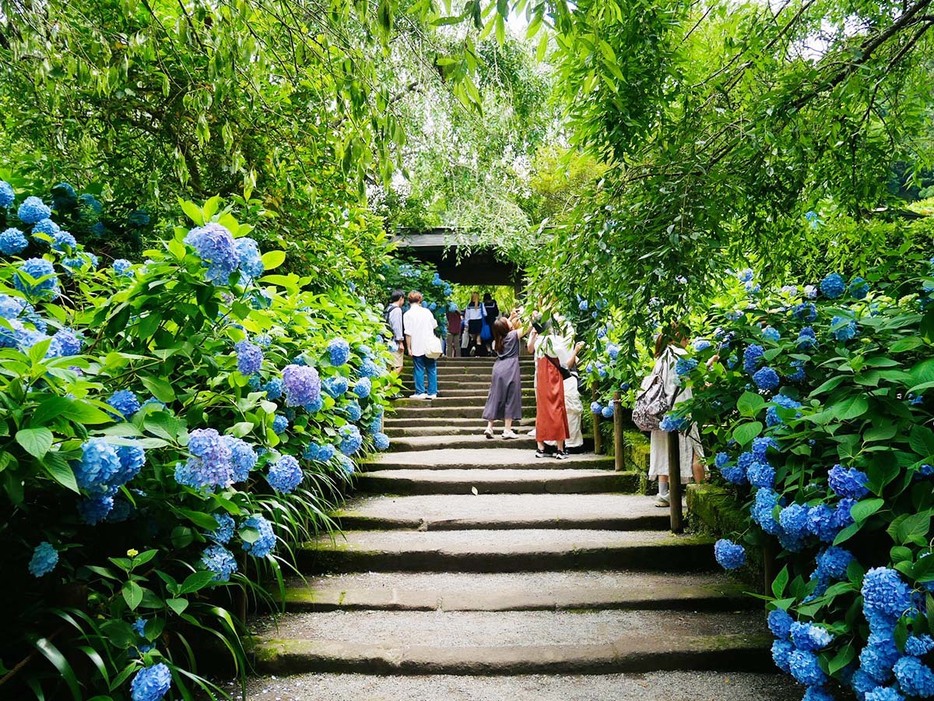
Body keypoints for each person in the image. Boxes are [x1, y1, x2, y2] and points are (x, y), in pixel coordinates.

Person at [646, 325, 706, 506]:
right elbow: (698, 382)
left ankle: (664, 494)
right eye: (687, 338)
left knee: (664, 450)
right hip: (681, 411)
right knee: (695, 450)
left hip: (660, 412)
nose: (688, 342)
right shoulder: (680, 355)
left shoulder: (661, 357)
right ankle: (702, 497)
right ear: (679, 337)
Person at [528, 319, 570, 459]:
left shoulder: (539, 341)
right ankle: (559, 449)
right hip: (554, 376)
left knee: (542, 410)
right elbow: (564, 361)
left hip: (541, 376)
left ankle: (541, 447)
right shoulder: (557, 340)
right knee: (557, 408)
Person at [542, 320, 585, 453]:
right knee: (571, 411)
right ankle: (571, 443)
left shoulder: (545, 342)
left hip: (554, 381)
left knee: (560, 411)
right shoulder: (559, 343)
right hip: (565, 380)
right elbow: (566, 364)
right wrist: (576, 351)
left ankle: (554, 442)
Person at [482, 314, 526, 439]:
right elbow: (528, 327)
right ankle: (507, 429)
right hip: (510, 367)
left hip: (498, 368)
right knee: (511, 397)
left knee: (495, 396)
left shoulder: (497, 339)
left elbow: (502, 328)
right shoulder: (513, 336)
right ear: (507, 326)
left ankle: (489, 427)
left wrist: (510, 319)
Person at [403, 290, 439, 400]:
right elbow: (434, 325)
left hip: (416, 344)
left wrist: (408, 348)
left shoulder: (407, 314)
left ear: (409, 301)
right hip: (429, 344)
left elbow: (408, 333)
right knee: (431, 368)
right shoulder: (427, 312)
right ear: (420, 300)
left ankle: (420, 391)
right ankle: (432, 392)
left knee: (418, 368)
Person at [384, 289, 405, 376]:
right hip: (394, 342)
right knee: (399, 366)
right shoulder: (397, 310)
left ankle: (383, 387)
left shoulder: (388, 308)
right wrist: (400, 342)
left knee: (388, 366)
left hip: (386, 340)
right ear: (401, 298)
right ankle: (387, 387)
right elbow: (397, 326)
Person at [463, 292, 485, 357]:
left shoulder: (469, 305)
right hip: (479, 322)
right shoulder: (481, 304)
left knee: (473, 338)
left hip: (471, 322)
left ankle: (473, 347)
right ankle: (477, 354)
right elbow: (485, 313)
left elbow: (467, 316)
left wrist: (466, 324)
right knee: (479, 339)